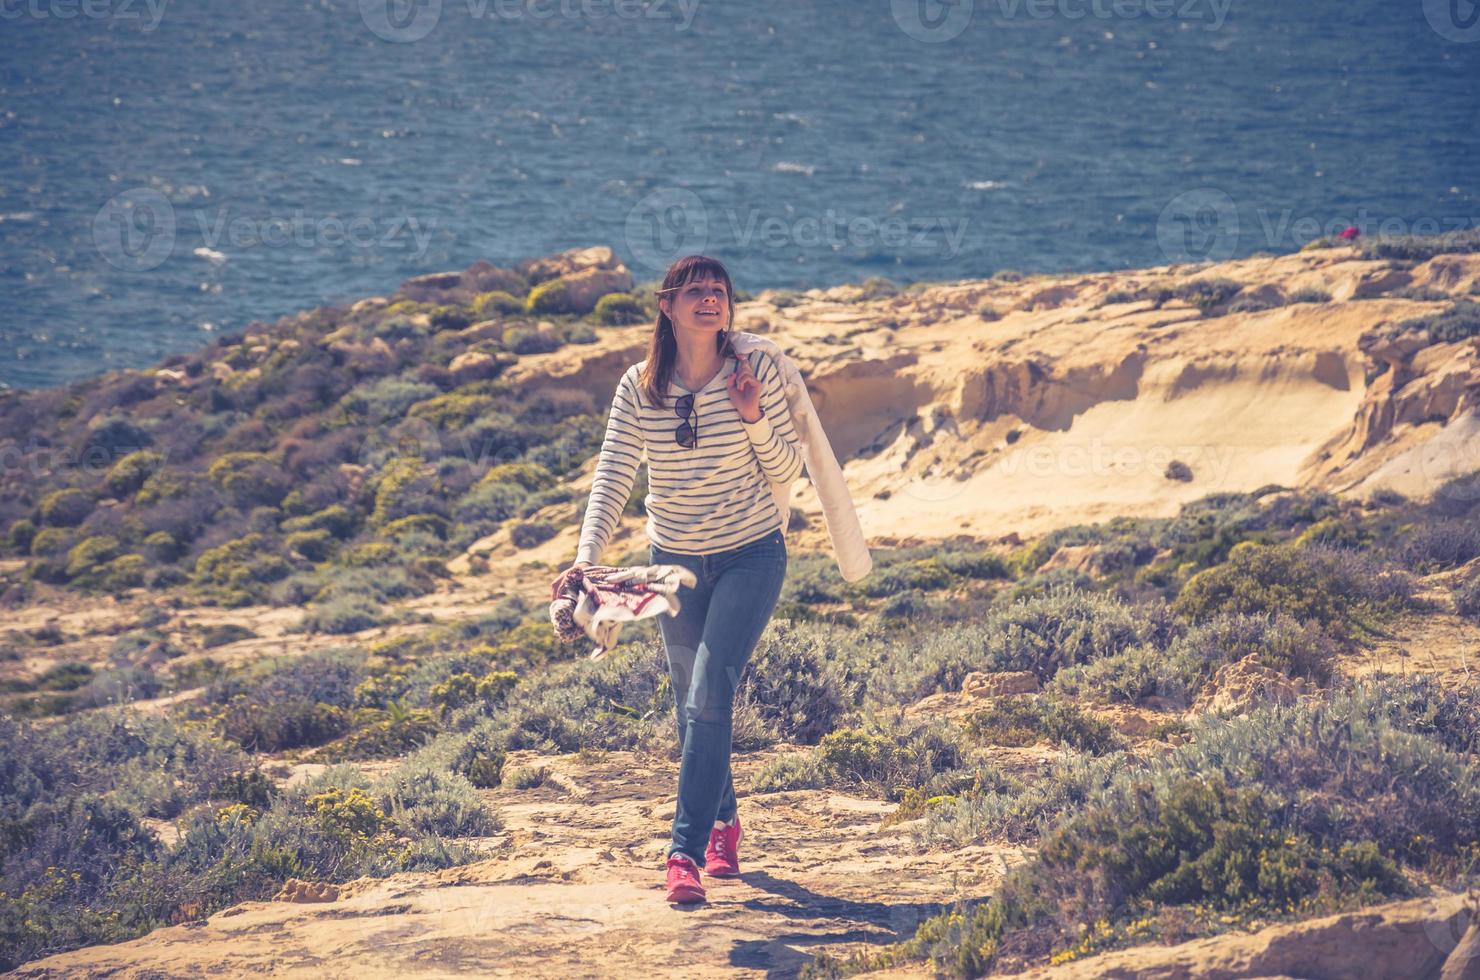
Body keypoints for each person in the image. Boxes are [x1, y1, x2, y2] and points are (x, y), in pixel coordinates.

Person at [549, 254, 803, 905]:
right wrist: (586, 557)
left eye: (719, 290)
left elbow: (786, 467)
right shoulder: (640, 386)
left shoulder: (752, 372)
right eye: (695, 290)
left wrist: (751, 413)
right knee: (691, 710)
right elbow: (613, 475)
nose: (710, 299)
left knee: (708, 696)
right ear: (667, 305)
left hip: (751, 554)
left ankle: (683, 854)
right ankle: (725, 823)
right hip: (675, 568)